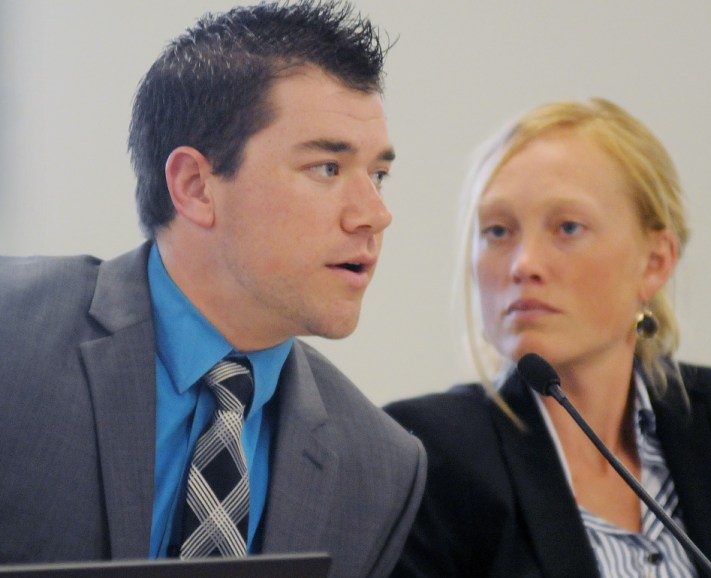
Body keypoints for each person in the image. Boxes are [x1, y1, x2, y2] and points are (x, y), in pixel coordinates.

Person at [0, 3, 426, 577]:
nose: (375, 214)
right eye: (328, 168)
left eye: (378, 176)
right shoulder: (12, 333)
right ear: (196, 186)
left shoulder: (380, 467)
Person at [385, 98, 711, 577]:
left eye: (567, 227)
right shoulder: (425, 455)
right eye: (498, 230)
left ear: (655, 261)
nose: (524, 264)